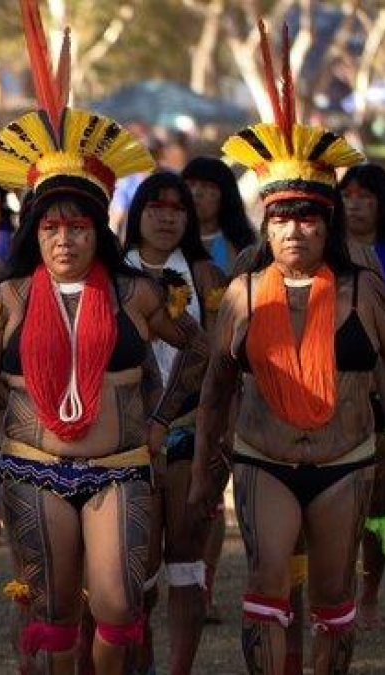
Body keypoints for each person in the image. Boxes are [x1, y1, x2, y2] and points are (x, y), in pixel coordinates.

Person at [0, 6, 206, 674]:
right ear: (34, 233)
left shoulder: (134, 294)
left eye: (80, 227)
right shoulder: (5, 300)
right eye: (52, 227)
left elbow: (200, 351)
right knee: (55, 606)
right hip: (31, 468)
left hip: (120, 469)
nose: (65, 239)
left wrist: (158, 417)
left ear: (100, 231)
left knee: (118, 604)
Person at [189, 26, 385, 675]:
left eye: (308, 216)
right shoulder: (243, 294)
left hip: (347, 457)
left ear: (327, 224)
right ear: (265, 223)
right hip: (261, 456)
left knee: (331, 595)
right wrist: (201, 472)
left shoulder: (364, 292)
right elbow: (217, 385)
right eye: (280, 217)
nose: (294, 229)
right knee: (269, 578)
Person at [122, 171, 228, 675]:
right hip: (123, 437)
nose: (166, 217)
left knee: (185, 557)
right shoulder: (113, 272)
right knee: (136, 564)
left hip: (190, 428)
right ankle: (139, 661)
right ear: (136, 213)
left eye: (177, 208)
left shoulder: (206, 276)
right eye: (156, 206)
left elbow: (221, 359)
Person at [338, 164, 385, 628]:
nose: (354, 202)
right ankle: (337, 591)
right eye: (347, 194)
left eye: (365, 195)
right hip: (335, 389)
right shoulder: (327, 253)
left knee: (379, 499)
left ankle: (370, 593)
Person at [181, 157, 257, 274]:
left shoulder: (246, 246)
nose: (196, 192)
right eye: (190, 184)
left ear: (225, 195)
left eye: (207, 186)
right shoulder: (167, 240)